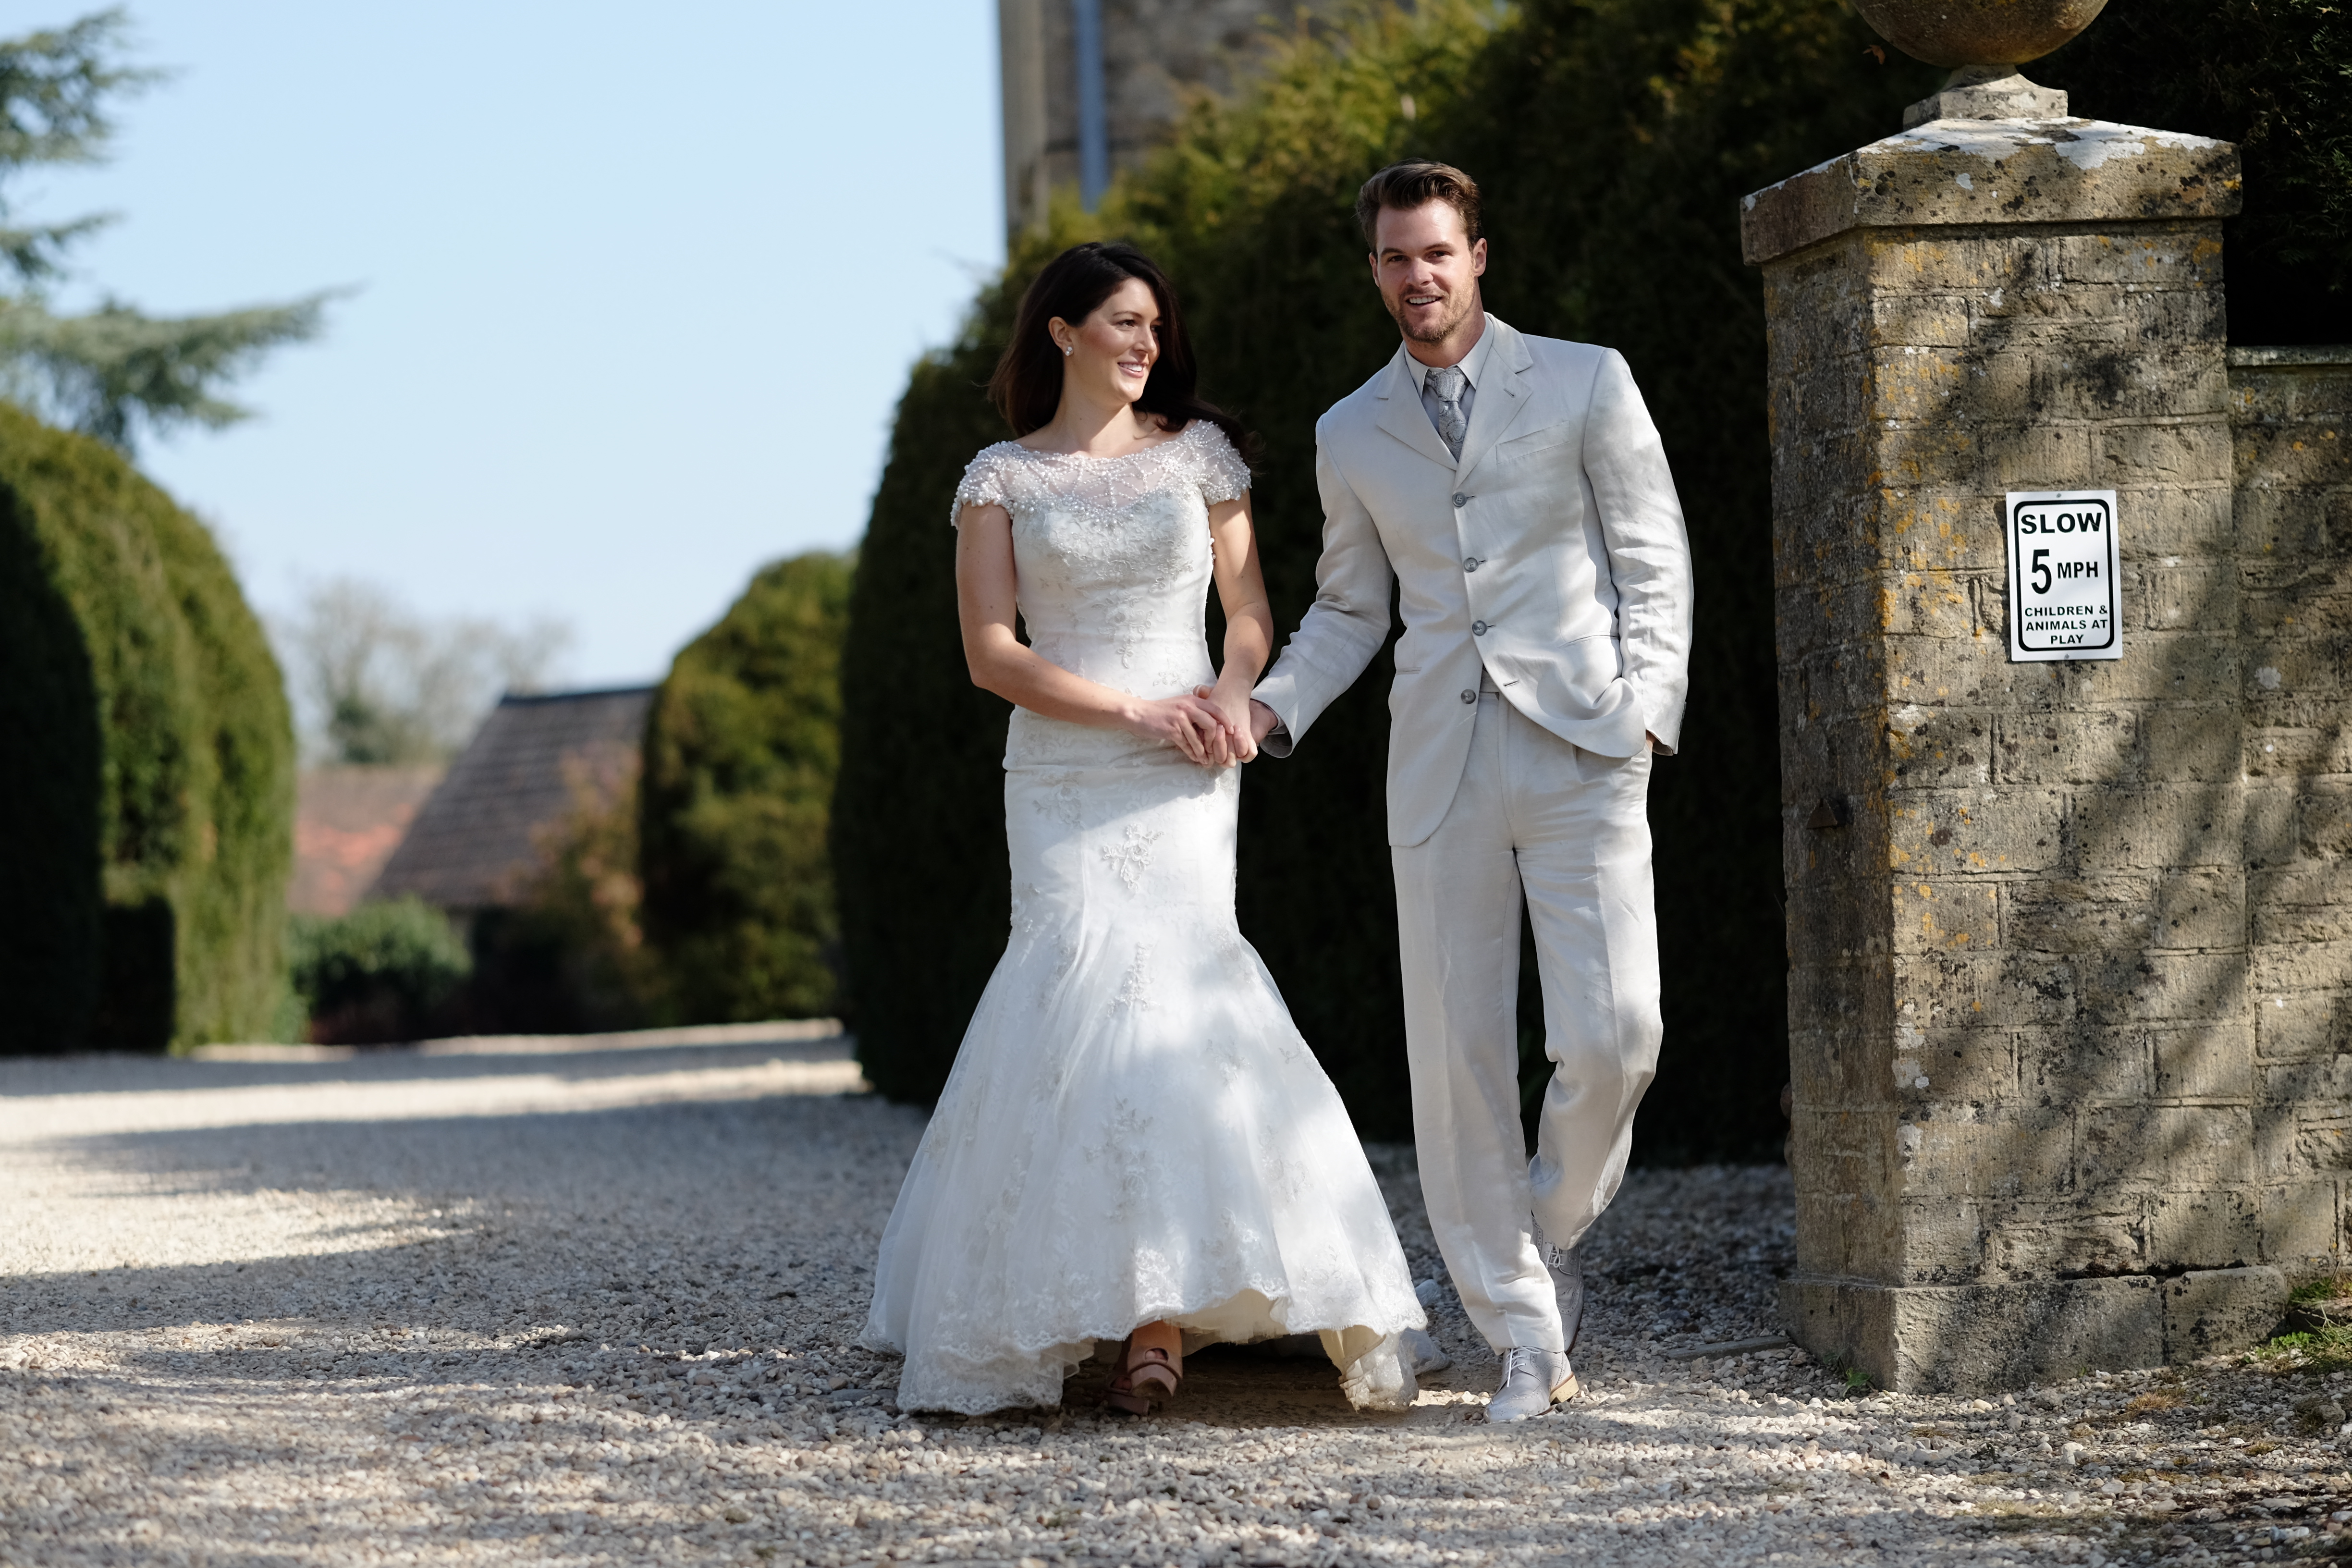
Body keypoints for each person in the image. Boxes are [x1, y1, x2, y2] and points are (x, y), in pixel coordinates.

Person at [861, 241, 1424, 1417]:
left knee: (1178, 996)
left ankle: (1160, 1314)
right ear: (1062, 332)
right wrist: (1134, 709)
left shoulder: (1201, 457)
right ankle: (1063, 1302)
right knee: (1069, 989)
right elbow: (992, 654)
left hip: (1188, 768)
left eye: (1157, 327)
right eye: (1124, 322)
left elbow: (1250, 608)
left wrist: (1229, 695)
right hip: (1066, 769)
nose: (1145, 343)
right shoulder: (1000, 480)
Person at [1248, 162, 1694, 1422]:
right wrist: (1274, 707)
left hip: (1582, 744)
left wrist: (1646, 712)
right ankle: (1522, 1334)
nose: (1418, 276)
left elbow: (1651, 556)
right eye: (1396, 258)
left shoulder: (1587, 380)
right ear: (1375, 271)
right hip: (1439, 765)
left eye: (1437, 252)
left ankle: (1548, 1227)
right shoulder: (1350, 431)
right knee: (1457, 1063)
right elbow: (1350, 607)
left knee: (1619, 1033)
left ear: (1477, 256)